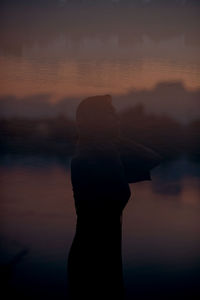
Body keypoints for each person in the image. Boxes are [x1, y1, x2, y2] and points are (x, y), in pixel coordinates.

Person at [68, 95, 161, 300]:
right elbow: (114, 198)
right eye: (111, 114)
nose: (118, 119)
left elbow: (153, 158)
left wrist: (114, 139)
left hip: (110, 255)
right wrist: (111, 141)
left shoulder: (112, 157)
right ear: (96, 120)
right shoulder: (84, 162)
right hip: (90, 257)